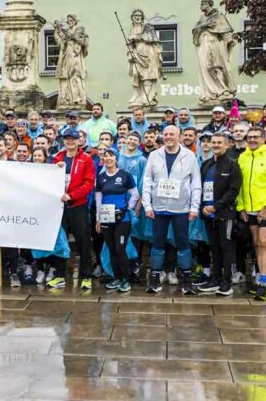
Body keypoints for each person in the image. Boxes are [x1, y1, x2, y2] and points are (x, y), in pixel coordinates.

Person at [142, 125, 201, 294]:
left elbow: (195, 183)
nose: (168, 137)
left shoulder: (189, 156)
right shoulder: (154, 155)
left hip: (181, 209)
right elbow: (147, 181)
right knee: (157, 243)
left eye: (172, 134)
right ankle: (154, 279)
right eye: (166, 134)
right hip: (159, 208)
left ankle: (186, 280)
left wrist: (194, 207)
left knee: (183, 243)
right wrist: (147, 205)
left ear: (180, 136)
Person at [238, 126, 266, 300]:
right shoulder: (243, 157)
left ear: (264, 139)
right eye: (250, 137)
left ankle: (264, 281)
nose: (252, 140)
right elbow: (240, 184)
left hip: (265, 208)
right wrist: (241, 206)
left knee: (264, 242)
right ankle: (261, 277)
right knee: (257, 243)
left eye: (256, 137)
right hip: (249, 209)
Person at [48, 127, 96, 291]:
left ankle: (86, 277)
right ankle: (60, 275)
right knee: (60, 241)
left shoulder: (86, 159)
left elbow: (89, 183)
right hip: (60, 207)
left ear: (79, 140)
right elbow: (49, 180)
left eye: (73, 138)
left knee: (83, 243)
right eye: (67, 138)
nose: (70, 141)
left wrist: (72, 195)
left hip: (77, 206)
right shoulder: (57, 158)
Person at [196, 132, 242, 296]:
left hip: (224, 213)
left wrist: (216, 207)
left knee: (226, 247)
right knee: (214, 247)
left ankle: (226, 282)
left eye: (219, 143)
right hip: (208, 214)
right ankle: (215, 279)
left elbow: (233, 191)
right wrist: (203, 207)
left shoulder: (232, 165)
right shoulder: (206, 164)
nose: (215, 145)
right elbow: (200, 187)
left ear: (227, 144)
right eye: (213, 142)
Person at [95, 146, 139, 293]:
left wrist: (128, 207)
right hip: (107, 218)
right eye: (105, 156)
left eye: (111, 156)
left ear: (116, 158)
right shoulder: (101, 177)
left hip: (122, 219)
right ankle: (116, 278)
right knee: (112, 249)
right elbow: (98, 198)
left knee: (120, 249)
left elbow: (135, 194)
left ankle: (125, 279)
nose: (108, 158)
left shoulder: (125, 175)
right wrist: (98, 219)